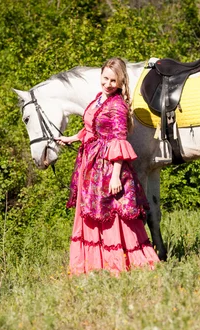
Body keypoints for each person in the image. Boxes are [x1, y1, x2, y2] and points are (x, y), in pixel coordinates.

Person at [56, 57, 160, 276]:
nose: (108, 84)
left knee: (112, 212)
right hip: (91, 165)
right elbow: (92, 129)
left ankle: (120, 262)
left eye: (114, 81)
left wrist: (115, 176)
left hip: (109, 168)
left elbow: (119, 142)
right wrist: (72, 138)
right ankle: (95, 263)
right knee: (93, 213)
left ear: (121, 82)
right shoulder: (98, 99)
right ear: (100, 75)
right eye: (105, 78)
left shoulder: (118, 106)